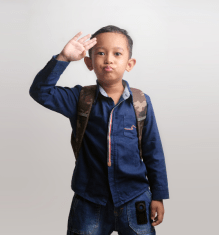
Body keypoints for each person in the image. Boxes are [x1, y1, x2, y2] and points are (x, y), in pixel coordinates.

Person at [29, 25, 169, 235]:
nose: (109, 59)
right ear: (88, 62)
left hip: (135, 198)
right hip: (89, 200)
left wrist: (158, 195)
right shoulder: (79, 99)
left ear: (129, 64)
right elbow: (40, 92)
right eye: (101, 53)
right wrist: (63, 58)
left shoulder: (141, 103)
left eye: (117, 54)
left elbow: (153, 150)